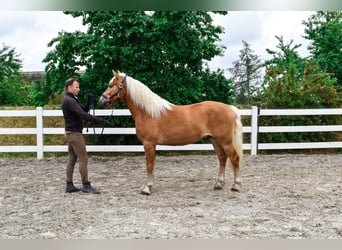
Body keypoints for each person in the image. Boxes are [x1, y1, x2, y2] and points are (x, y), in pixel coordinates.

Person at [62, 77, 110, 194]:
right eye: (76, 87)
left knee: (72, 159)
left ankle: (69, 185)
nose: (78, 89)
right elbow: (82, 114)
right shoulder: (70, 101)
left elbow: (83, 110)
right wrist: (99, 120)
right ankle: (86, 185)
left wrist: (88, 100)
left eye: (78, 87)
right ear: (69, 87)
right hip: (75, 134)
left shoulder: (71, 99)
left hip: (71, 133)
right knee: (83, 159)